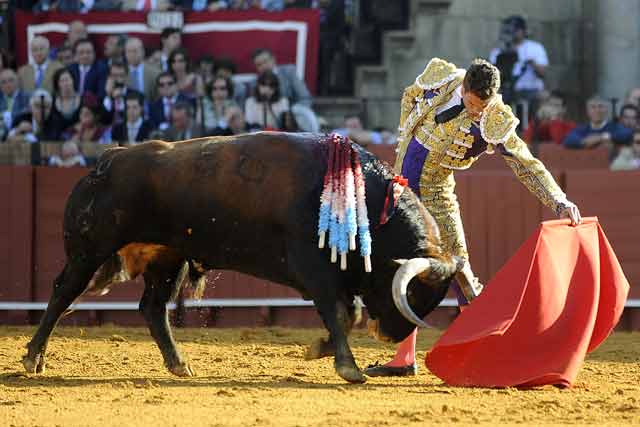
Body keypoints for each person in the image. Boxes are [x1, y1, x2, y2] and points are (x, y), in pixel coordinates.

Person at [364, 57, 582, 377]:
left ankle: (489, 355)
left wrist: (559, 200)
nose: (478, 111)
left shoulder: (493, 118)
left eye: (484, 105)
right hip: (403, 193)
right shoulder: (442, 77)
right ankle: (404, 359)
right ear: (464, 86)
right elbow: (410, 94)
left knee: (462, 276)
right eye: (472, 103)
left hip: (436, 196)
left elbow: (525, 163)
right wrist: (403, 135)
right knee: (404, 273)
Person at [489, 15, 548, 111]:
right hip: (507, 92)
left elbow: (542, 73)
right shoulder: (499, 51)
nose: (511, 33)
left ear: (523, 31)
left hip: (530, 91)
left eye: (515, 30)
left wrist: (531, 63)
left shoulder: (535, 48)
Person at [563, 96, 632, 157]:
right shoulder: (582, 129)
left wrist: (601, 137)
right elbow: (568, 140)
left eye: (600, 106)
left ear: (606, 109)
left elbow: (628, 134)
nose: (597, 110)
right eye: (593, 107)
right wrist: (584, 142)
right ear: (588, 111)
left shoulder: (614, 127)